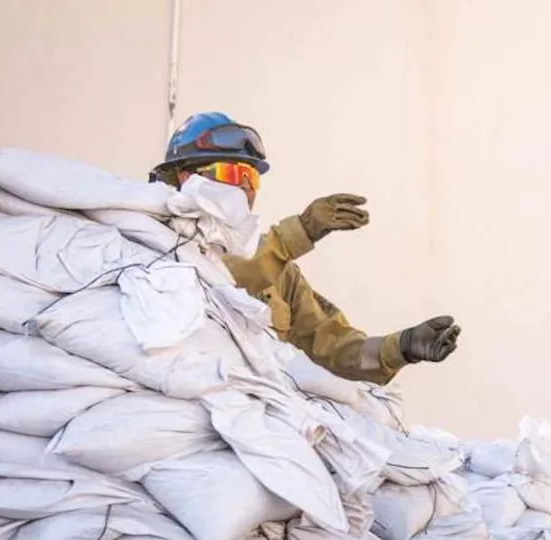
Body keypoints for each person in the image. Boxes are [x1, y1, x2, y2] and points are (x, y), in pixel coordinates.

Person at [150, 111, 460, 384]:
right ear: (185, 177)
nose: (245, 187)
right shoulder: (148, 242)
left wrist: (402, 346)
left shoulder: (280, 273)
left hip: (253, 424)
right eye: (231, 173)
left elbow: (333, 343)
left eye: (251, 177)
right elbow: (215, 278)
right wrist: (300, 232)